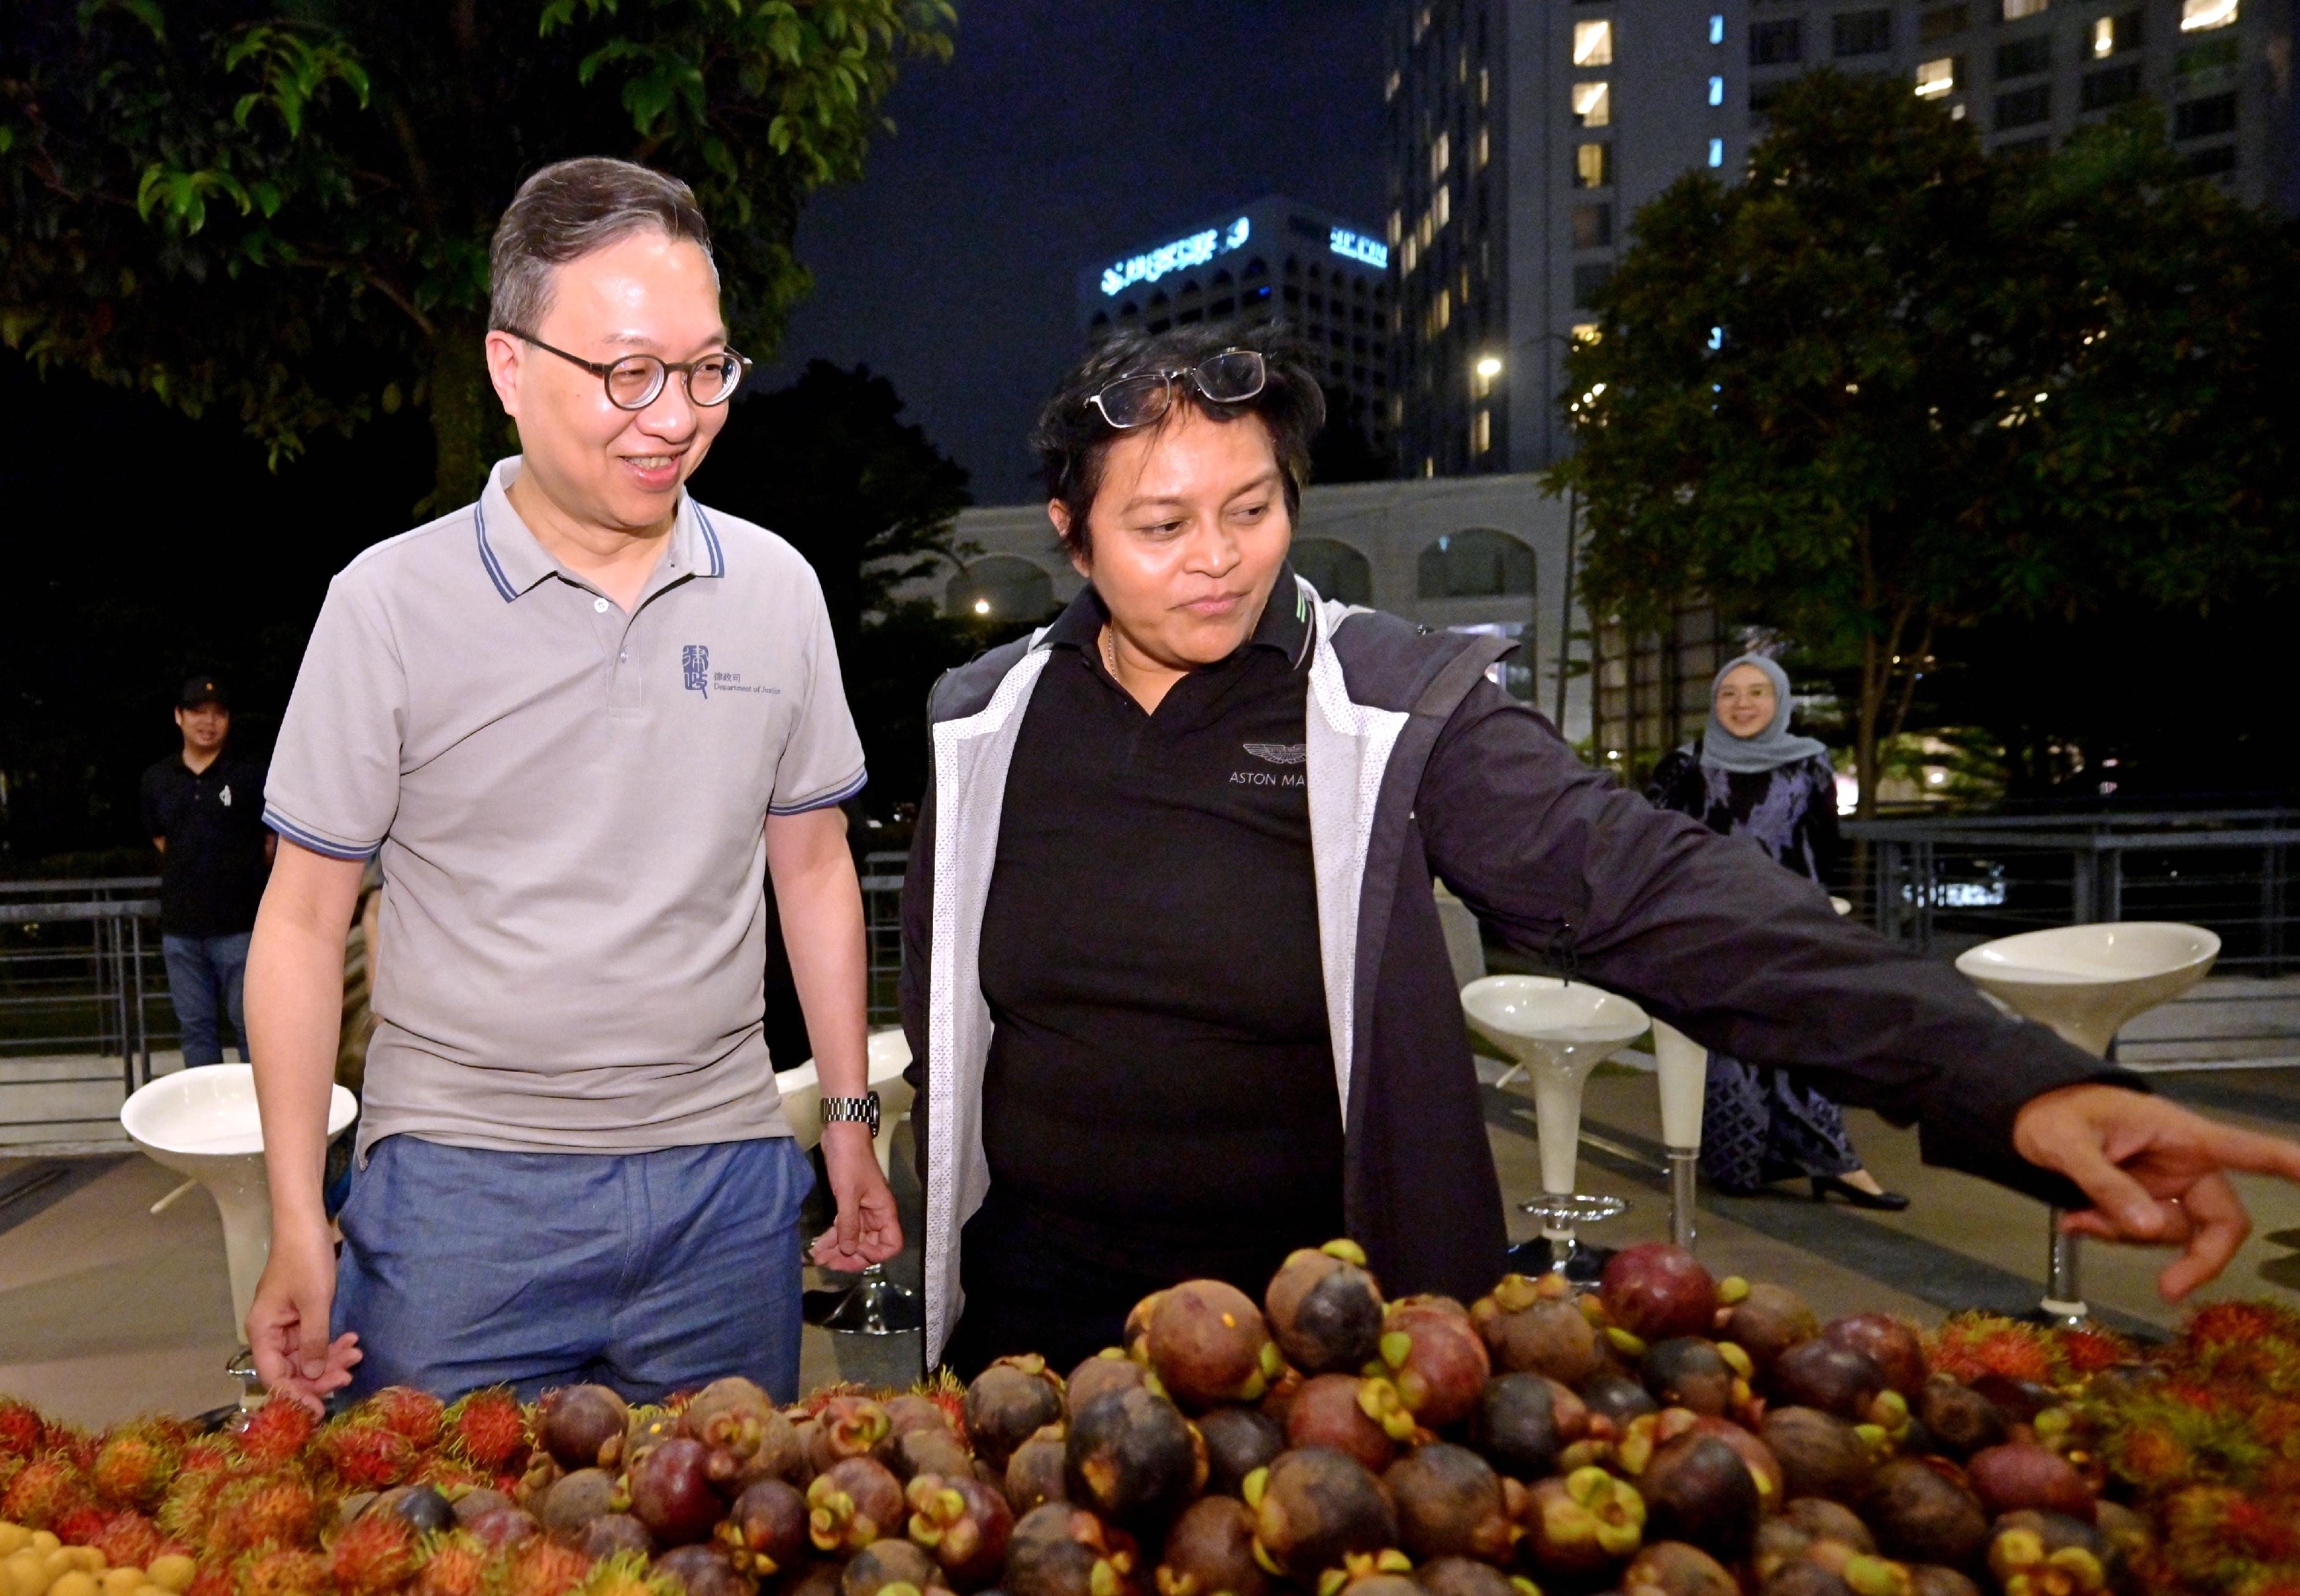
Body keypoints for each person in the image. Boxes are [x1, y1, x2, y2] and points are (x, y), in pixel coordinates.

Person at [899, 322, 2300, 1379]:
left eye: (1250, 508)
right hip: (1035, 1325)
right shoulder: (983, 722)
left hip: (1314, 1331)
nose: (1216, 557)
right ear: (1073, 538)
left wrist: (2006, 1080)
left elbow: (1653, 889)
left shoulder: (1387, 700)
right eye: (1158, 525)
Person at [246, 157, 899, 1412]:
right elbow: (302, 914)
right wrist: (293, 1215)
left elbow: (811, 870)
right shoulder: (386, 604)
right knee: (441, 1573)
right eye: (628, 374)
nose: (675, 417)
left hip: (723, 1182)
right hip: (458, 1195)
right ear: (508, 368)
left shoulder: (775, 589)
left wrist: (847, 1126)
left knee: (716, 1573)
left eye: (707, 370)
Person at [1644, 656, 1907, 1209]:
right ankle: (1746, 1162)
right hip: (1714, 929)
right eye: (1729, 694)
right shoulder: (1687, 766)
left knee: (1804, 1033)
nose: (1743, 704)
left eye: (1757, 692)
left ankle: (1835, 1162)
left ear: (1780, 699)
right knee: (1735, 1040)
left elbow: (1824, 844)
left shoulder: (1809, 764)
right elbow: (1649, 845)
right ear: (1714, 702)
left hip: (1792, 923)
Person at [140, 676, 273, 1068]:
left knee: (253, 1026)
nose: (208, 722)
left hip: (242, 928)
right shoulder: (157, 779)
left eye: (218, 713)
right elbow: (162, 840)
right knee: (196, 1030)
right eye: (198, 712)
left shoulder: (250, 775)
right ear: (179, 717)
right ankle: (208, 1125)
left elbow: (271, 844)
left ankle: (261, 1121)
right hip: (181, 931)